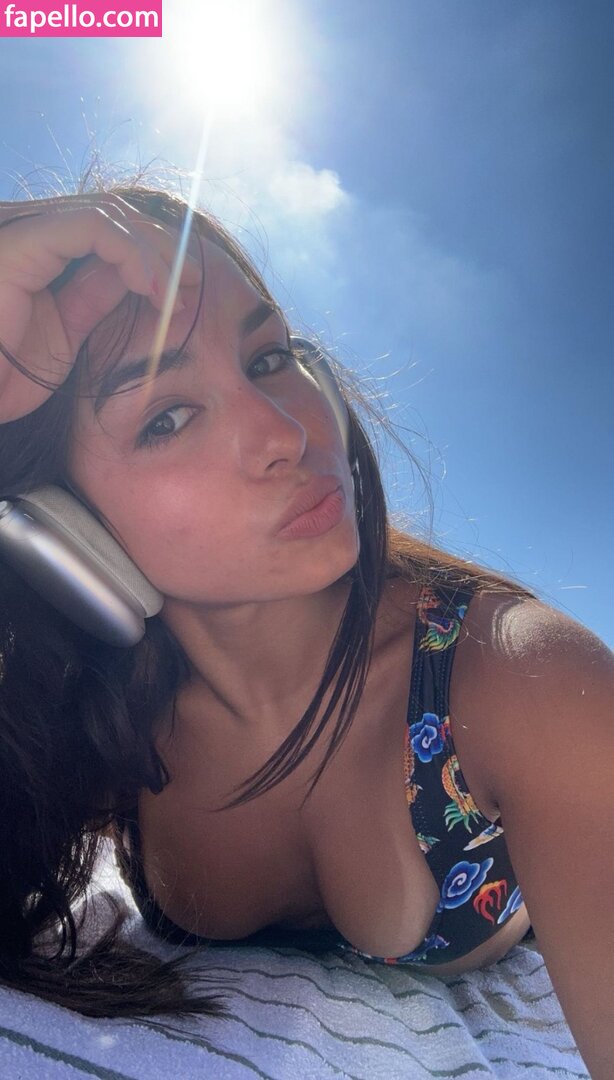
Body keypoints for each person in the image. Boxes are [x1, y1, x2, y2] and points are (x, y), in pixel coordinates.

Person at [0, 186, 611, 1076]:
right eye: (167, 416)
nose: (283, 431)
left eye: (269, 357)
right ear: (61, 530)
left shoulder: (521, 682)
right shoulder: (106, 720)